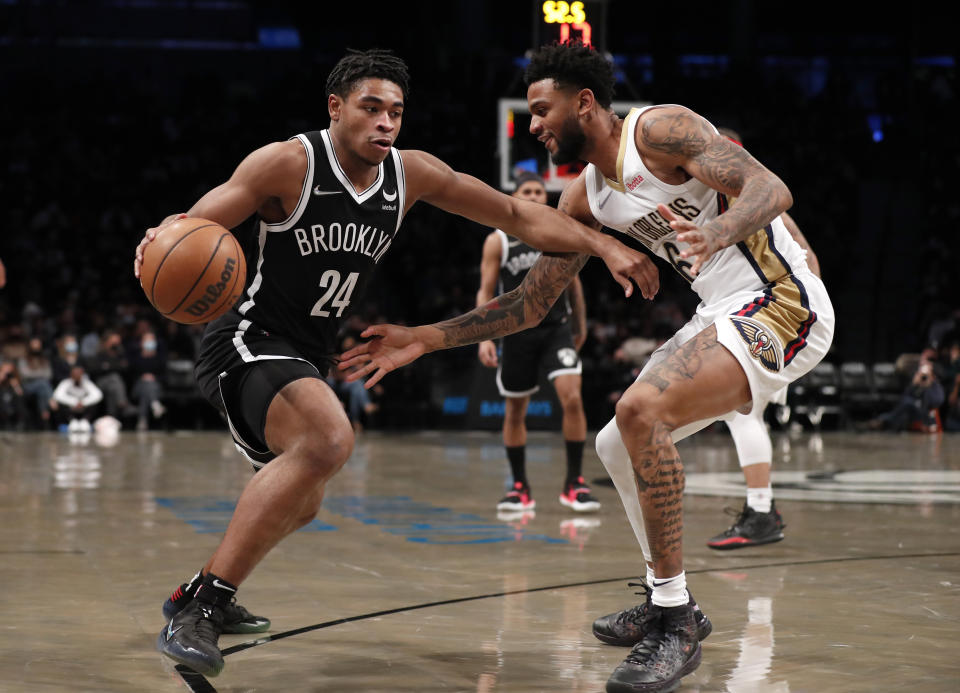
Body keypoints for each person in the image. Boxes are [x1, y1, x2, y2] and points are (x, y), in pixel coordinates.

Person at [132, 48, 654, 678]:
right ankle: (202, 611)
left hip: (307, 354)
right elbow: (192, 226)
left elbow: (516, 214)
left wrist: (601, 242)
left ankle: (195, 591)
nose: (385, 123)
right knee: (329, 438)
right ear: (335, 108)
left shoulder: (412, 176)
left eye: (396, 113)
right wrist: (157, 242)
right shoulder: (287, 164)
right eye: (371, 108)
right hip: (246, 337)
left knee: (305, 502)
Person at [338, 41, 835, 693]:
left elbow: (770, 187)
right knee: (616, 442)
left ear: (585, 103)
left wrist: (716, 232)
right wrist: (425, 338)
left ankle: (674, 621)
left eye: (542, 110)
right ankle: (668, 602)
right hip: (721, 306)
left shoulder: (659, 129)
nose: (534, 124)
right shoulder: (585, 199)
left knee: (640, 411)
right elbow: (528, 303)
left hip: (782, 297)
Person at [706, 127, 822, 551]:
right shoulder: (717, 200)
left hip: (776, 316)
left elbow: (807, 260)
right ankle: (761, 509)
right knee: (739, 414)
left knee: (741, 414)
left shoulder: (754, 199)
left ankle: (761, 512)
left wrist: (791, 321)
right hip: (759, 314)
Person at [476, 170, 599, 514]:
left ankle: (574, 483)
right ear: (516, 196)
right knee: (516, 409)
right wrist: (483, 336)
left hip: (555, 328)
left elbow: (573, 284)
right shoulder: (498, 240)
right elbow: (486, 291)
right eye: (526, 191)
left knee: (572, 397)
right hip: (516, 333)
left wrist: (580, 324)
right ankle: (519, 487)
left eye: (538, 191)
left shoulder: (558, 233)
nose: (533, 195)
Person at [51, 364, 103, 433]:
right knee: (58, 403)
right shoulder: (65, 383)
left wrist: (83, 402)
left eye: (79, 374)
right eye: (75, 374)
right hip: (70, 409)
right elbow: (57, 395)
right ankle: (71, 421)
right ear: (71, 374)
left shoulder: (87, 383)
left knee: (95, 403)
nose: (77, 376)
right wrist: (74, 402)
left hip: (84, 409)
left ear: (82, 374)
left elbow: (98, 395)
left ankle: (85, 421)